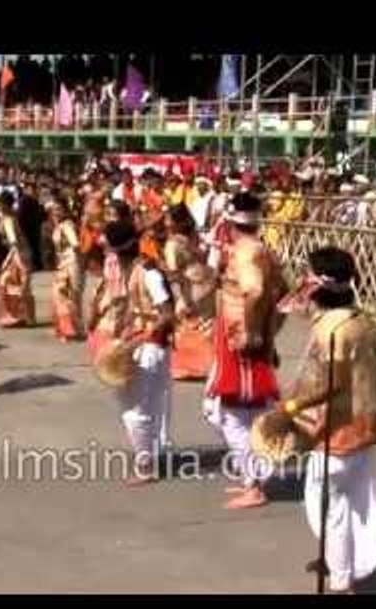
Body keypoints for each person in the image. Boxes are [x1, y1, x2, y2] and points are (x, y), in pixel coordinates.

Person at [272, 246, 376, 594]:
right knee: (354, 502)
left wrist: (291, 409)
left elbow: (334, 385)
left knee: (333, 511)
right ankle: (347, 563)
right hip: (364, 426)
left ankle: (341, 581)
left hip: (335, 434)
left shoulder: (332, 331)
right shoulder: (362, 320)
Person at [204, 192, 289, 510]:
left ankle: (254, 483)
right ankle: (253, 475)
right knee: (247, 410)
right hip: (246, 337)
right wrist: (269, 334)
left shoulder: (245, 253)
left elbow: (255, 292)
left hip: (238, 339)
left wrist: (253, 332)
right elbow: (282, 298)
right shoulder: (264, 250)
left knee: (228, 414)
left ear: (231, 221)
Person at [114, 223, 175, 486]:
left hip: (151, 345)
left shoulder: (148, 272)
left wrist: (143, 334)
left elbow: (167, 312)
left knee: (135, 408)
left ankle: (145, 465)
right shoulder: (136, 269)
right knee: (152, 404)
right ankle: (152, 456)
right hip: (147, 342)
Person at [164, 206, 214, 380]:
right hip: (207, 282)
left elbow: (173, 271)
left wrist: (179, 295)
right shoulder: (192, 238)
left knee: (185, 319)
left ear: (175, 222)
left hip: (190, 285)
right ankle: (207, 365)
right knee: (204, 323)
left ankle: (189, 367)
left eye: (168, 218)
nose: (165, 222)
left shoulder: (172, 244)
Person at [87, 209, 136, 359]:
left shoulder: (127, 233)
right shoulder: (109, 233)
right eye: (108, 214)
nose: (110, 218)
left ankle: (115, 349)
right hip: (110, 272)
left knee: (119, 309)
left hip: (121, 276)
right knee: (106, 309)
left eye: (113, 214)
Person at [0, 189, 36, 327]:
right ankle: (24, 316)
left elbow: (13, 241)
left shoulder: (8, 219)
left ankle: (22, 316)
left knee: (16, 284)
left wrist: (9, 259)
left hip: (18, 252)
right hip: (20, 251)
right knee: (19, 285)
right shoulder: (11, 217)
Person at [49, 196, 85, 342]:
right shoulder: (58, 226)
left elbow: (75, 244)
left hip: (71, 261)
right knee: (61, 295)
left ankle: (74, 329)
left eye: (58, 209)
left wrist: (78, 263)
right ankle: (68, 328)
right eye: (53, 210)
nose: (55, 213)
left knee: (70, 295)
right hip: (63, 261)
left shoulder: (67, 225)